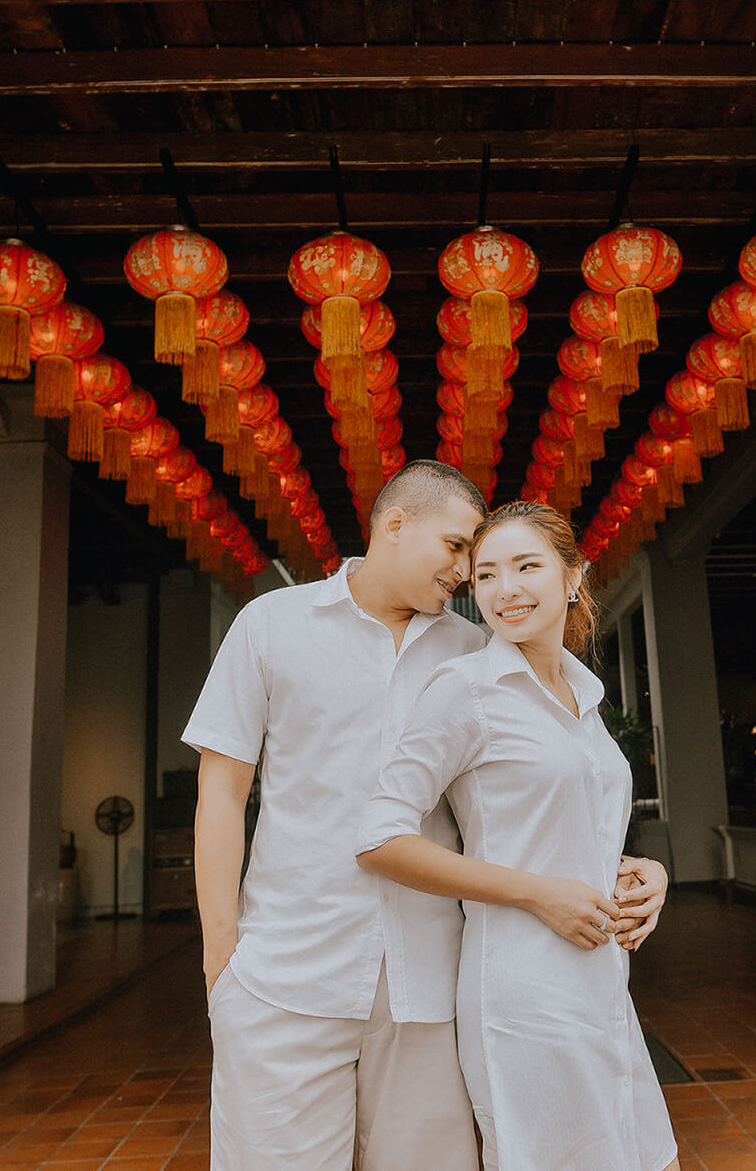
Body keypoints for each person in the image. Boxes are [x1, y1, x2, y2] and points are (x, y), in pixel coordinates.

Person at [185, 462, 667, 1168]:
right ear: (395, 524)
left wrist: (636, 867)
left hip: (429, 984)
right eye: (458, 546)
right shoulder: (271, 624)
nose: (470, 571)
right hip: (285, 970)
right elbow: (221, 793)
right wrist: (220, 958)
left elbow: (542, 796)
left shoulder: (478, 652)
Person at [357, 501, 680, 1171]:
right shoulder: (467, 690)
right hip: (520, 989)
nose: (507, 590)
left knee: (642, 1155)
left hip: (600, 978)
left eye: (527, 567)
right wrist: (537, 895)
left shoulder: (586, 697)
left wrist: (643, 870)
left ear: (573, 575)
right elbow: (380, 837)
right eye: (487, 576)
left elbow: (565, 827)